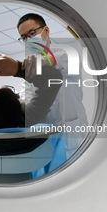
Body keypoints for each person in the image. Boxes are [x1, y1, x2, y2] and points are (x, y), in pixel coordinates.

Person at [16, 13, 89, 162]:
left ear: (46, 31)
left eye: (32, 33)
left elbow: (62, 59)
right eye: (24, 37)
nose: (29, 40)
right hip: (47, 134)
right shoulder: (30, 71)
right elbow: (28, 99)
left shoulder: (66, 53)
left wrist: (45, 60)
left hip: (72, 133)